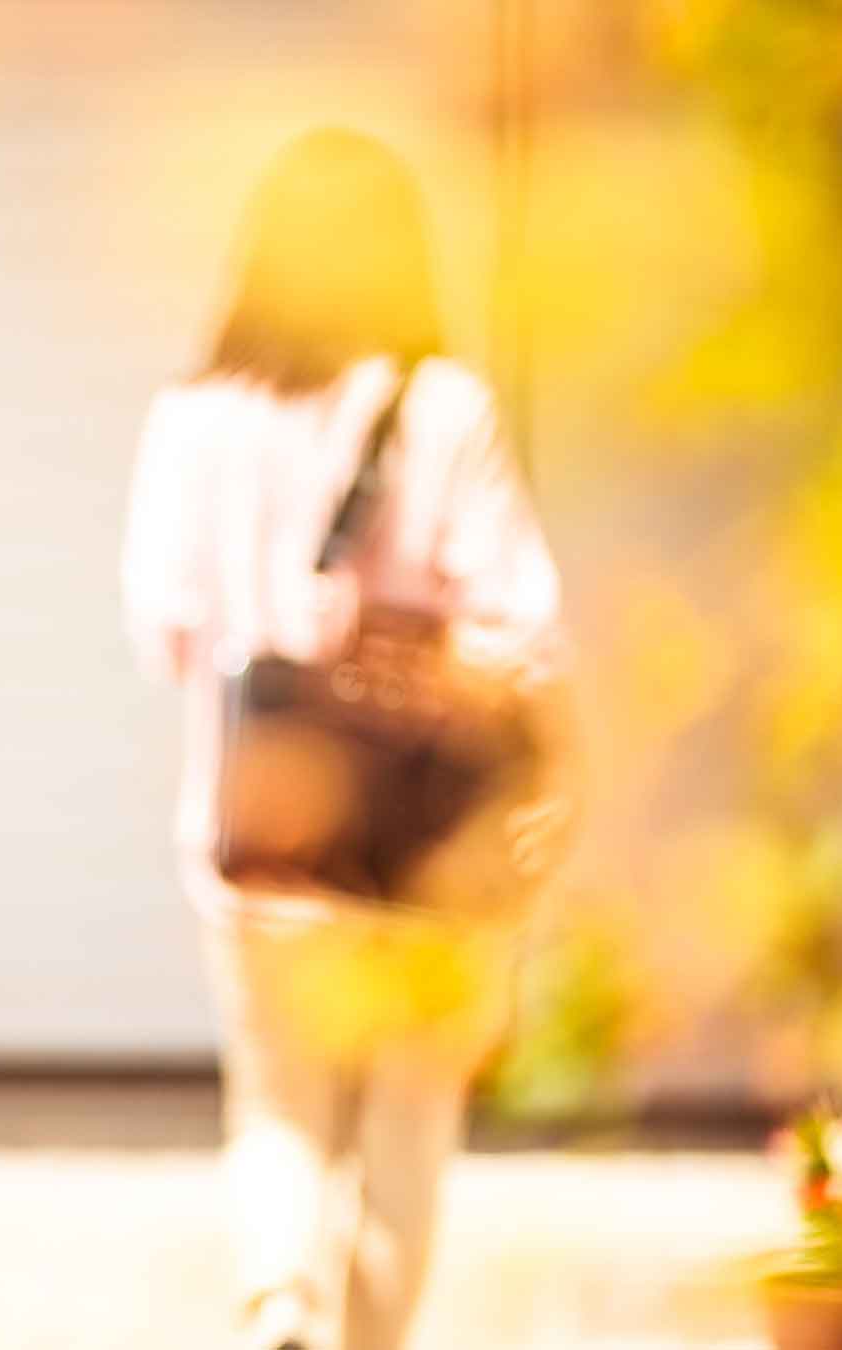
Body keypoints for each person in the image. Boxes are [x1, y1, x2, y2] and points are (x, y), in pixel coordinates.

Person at [121, 129, 572, 1350]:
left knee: (275, 1102)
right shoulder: (445, 410)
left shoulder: (195, 418)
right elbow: (520, 628)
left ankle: (281, 1304)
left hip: (259, 832)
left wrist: (271, 625)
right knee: (408, 1119)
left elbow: (161, 629)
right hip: (426, 842)